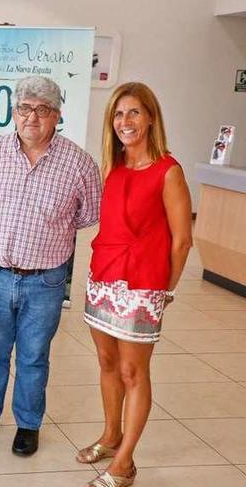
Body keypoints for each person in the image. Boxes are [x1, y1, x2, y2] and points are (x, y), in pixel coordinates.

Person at [0, 76, 102, 456]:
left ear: (57, 115)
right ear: (13, 113)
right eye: (24, 108)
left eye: (42, 109)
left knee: (34, 356)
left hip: (46, 281)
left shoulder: (80, 163)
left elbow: (88, 216)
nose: (32, 117)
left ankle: (27, 424)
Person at [78, 82, 192, 487]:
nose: (125, 121)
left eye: (133, 113)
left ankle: (124, 463)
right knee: (107, 363)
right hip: (104, 277)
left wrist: (166, 289)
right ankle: (111, 436)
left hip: (142, 284)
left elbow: (182, 240)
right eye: (119, 114)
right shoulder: (114, 165)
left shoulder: (168, 171)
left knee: (132, 371)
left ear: (150, 118)